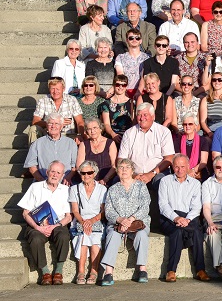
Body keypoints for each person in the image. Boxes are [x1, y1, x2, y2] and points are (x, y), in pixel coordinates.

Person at [18, 161, 72, 285]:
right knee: (35, 238)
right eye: (52, 171)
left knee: (63, 235)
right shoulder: (35, 187)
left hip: (58, 224)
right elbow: (25, 213)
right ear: (47, 172)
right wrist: (38, 227)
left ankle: (58, 271)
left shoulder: (66, 190)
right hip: (37, 225)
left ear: (62, 176)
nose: (55, 175)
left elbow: (68, 217)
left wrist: (56, 225)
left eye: (58, 172)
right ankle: (45, 272)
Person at [99, 158, 150, 286]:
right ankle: (108, 272)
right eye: (121, 167)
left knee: (142, 235)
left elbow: (145, 207)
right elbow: (109, 210)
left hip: (138, 222)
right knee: (112, 235)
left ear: (132, 170)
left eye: (127, 167)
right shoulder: (112, 189)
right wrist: (120, 220)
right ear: (117, 171)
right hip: (118, 223)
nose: (124, 170)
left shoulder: (141, 186)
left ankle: (142, 269)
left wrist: (132, 219)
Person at [159, 154, 209, 282]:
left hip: (189, 218)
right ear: (172, 167)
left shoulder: (195, 184)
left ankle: (200, 270)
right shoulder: (165, 181)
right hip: (169, 217)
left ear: (188, 167)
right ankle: (171, 270)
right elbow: (163, 205)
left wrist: (186, 219)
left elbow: (196, 207)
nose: (179, 170)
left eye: (182, 166)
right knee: (178, 231)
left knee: (197, 232)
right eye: (176, 167)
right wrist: (176, 218)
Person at [117, 102, 175, 184]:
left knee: (161, 181)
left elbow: (169, 158)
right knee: (117, 181)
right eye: (139, 115)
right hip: (134, 174)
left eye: (145, 114)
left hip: (157, 173)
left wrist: (151, 174)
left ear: (153, 116)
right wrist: (132, 175)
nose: (142, 118)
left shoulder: (164, 132)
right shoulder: (129, 133)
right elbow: (121, 159)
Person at [25, 113, 77, 182]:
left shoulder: (71, 143)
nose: (53, 126)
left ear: (61, 126)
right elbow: (31, 166)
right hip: (44, 181)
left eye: (57, 124)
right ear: (46, 125)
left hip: (65, 182)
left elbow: (75, 166)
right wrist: (42, 180)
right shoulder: (37, 143)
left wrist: (68, 178)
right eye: (50, 123)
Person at [77, 118, 117, 185]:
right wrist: (90, 180)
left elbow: (114, 165)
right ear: (86, 131)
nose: (92, 131)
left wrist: (105, 179)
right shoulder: (83, 144)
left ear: (100, 128)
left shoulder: (110, 143)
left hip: (108, 180)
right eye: (89, 129)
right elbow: (79, 167)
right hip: (89, 181)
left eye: (95, 127)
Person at [172, 113, 209, 181]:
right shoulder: (177, 141)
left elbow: (203, 162)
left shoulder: (203, 140)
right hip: (181, 172)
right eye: (185, 124)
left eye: (190, 124)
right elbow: (177, 161)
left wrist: (193, 171)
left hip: (198, 173)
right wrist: (187, 172)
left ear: (195, 125)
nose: (187, 126)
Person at [100, 75, 135, 142]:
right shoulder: (106, 104)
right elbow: (106, 124)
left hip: (129, 136)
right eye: (117, 84)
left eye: (123, 85)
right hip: (112, 135)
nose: (120, 87)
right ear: (114, 85)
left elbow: (134, 122)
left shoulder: (132, 103)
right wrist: (113, 135)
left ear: (126, 86)